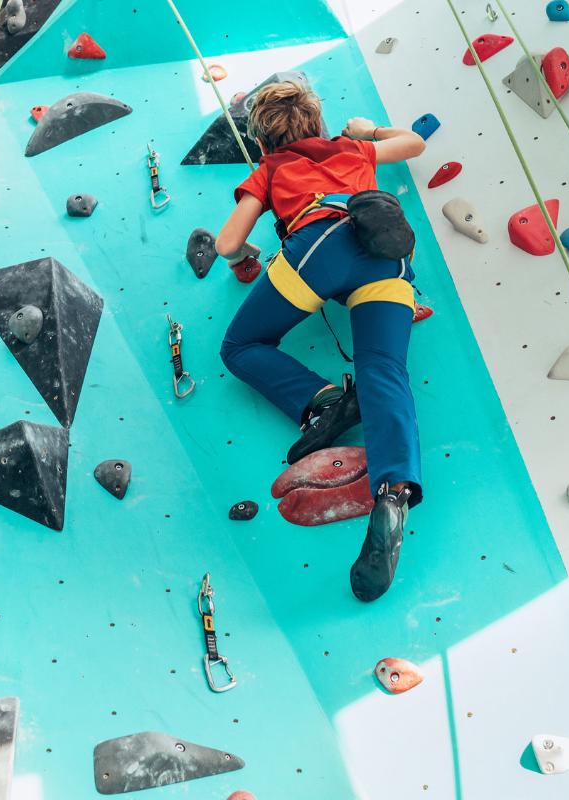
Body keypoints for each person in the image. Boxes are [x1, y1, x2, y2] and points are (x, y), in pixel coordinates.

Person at [215, 81, 427, 603]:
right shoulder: (352, 147)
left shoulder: (270, 167)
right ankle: (394, 493)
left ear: (263, 141)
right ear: (318, 122)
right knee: (385, 371)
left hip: (323, 244)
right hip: (387, 255)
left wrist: (245, 254)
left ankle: (325, 400)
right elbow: (415, 144)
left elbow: (226, 244)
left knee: (240, 347)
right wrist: (367, 131)